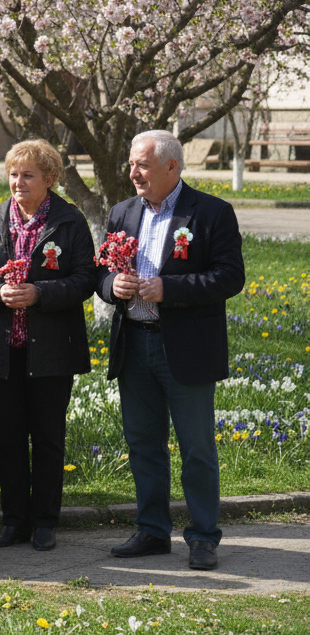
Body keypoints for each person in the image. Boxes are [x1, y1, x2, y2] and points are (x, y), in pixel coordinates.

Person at [98, 130, 244, 572]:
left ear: (171, 167)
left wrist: (170, 289)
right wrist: (113, 285)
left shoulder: (212, 212)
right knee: (144, 444)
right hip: (134, 343)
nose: (133, 173)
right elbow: (99, 272)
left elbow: (229, 276)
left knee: (196, 448)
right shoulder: (122, 212)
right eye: (131, 163)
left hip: (185, 348)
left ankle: (202, 537)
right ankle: (152, 531)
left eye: (142, 165)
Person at [0, 139, 94, 552]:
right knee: (9, 438)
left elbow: (86, 279)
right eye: (13, 175)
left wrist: (40, 293)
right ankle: (13, 521)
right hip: (3, 350)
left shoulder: (69, 221)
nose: (18, 182)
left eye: (28, 175)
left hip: (51, 350)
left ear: (50, 178)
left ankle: (45, 522)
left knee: (48, 438)